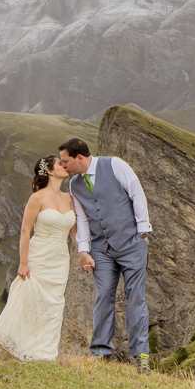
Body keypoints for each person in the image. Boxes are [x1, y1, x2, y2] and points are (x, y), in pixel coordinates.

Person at [58, 137, 153, 373]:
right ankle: (100, 353)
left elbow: (137, 194)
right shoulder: (74, 185)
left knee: (135, 298)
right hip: (101, 249)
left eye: (65, 161)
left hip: (131, 243)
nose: (63, 166)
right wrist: (83, 250)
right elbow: (82, 219)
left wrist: (143, 232)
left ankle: (141, 357)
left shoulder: (115, 165)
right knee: (104, 296)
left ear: (80, 157)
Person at [0, 155, 76, 362]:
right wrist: (24, 263)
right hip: (39, 255)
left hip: (60, 258)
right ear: (50, 171)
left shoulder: (69, 198)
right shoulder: (37, 198)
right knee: (32, 299)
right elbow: (25, 231)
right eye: (60, 164)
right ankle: (21, 346)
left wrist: (84, 253)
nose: (64, 165)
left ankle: (46, 352)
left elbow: (74, 233)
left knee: (54, 303)